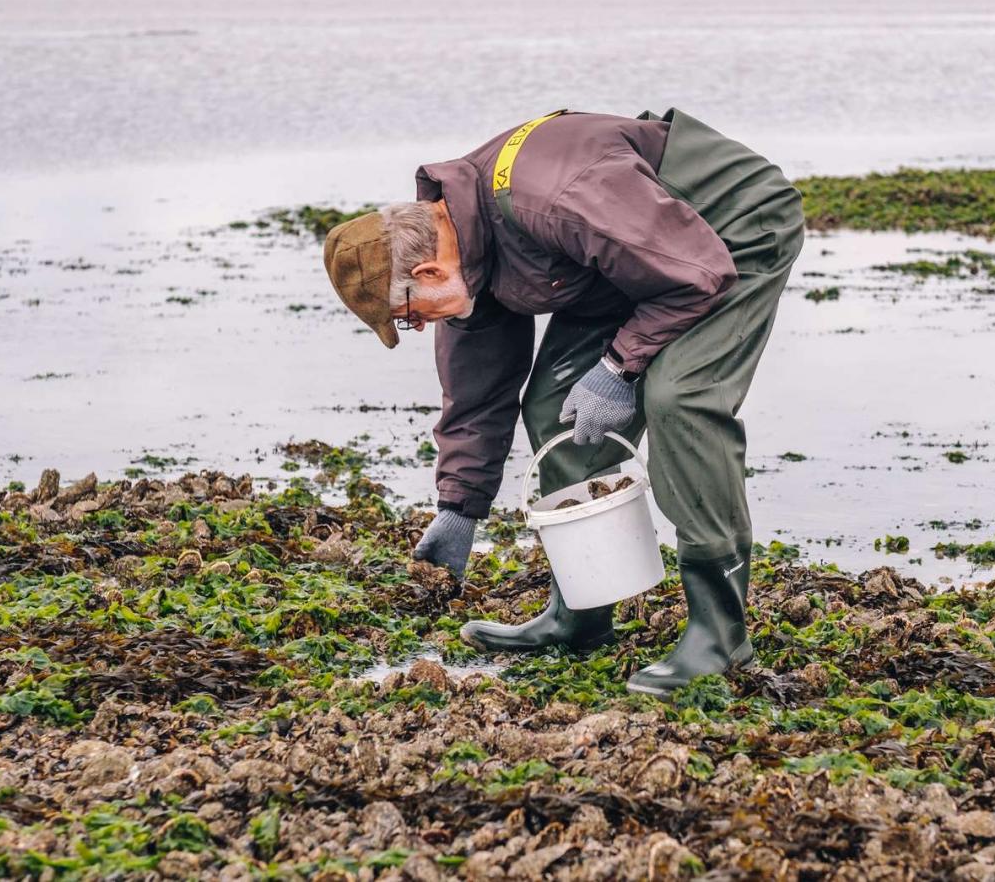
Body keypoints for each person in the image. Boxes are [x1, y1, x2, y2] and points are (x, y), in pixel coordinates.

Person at [322, 108, 804, 698]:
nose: (418, 328)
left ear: (425, 271)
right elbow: (476, 394)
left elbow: (695, 275)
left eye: (410, 316)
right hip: (627, 258)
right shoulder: (465, 257)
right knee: (556, 410)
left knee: (681, 399)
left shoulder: (557, 198)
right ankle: (581, 613)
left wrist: (617, 367)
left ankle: (719, 633)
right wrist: (459, 509)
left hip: (727, 231)